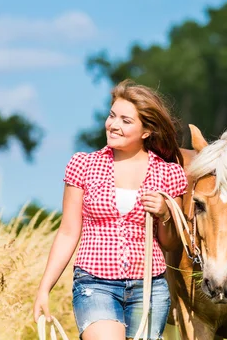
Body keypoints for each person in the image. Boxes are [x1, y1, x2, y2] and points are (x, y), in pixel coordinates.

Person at [33, 79, 188, 339]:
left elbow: (170, 243)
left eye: (126, 121)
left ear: (146, 131)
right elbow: (68, 232)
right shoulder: (83, 165)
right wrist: (44, 288)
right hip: (95, 284)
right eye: (112, 115)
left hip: (149, 287)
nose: (113, 125)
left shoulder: (169, 173)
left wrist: (166, 214)